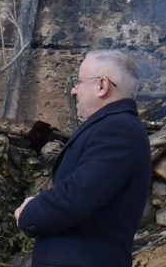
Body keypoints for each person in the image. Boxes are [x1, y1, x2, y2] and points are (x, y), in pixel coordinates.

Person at [14, 49, 152, 267]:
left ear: (102, 85)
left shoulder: (118, 129)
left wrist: (29, 211)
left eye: (78, 82)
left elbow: (76, 197)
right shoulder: (114, 127)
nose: (73, 90)